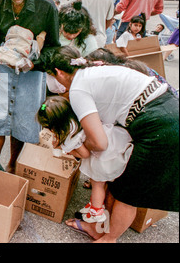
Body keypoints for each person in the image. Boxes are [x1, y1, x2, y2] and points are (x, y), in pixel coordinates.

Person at [39, 45, 178, 243]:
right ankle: (99, 228)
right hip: (164, 112)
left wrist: (78, 142)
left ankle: (109, 239)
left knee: (128, 194)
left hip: (159, 125)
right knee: (120, 185)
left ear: (59, 73)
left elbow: (100, 143)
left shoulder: (78, 88)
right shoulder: (92, 70)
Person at [0, 0, 60, 173]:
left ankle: (13, 165)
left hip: (32, 74)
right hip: (3, 70)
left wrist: (34, 63)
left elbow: (54, 47)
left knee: (24, 122)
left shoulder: (47, 7)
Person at [37, 95, 133, 223]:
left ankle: (96, 211)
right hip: (112, 141)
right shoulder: (76, 117)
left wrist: (65, 148)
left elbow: (84, 154)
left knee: (97, 184)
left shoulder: (71, 134)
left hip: (103, 157)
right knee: (102, 184)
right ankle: (95, 205)